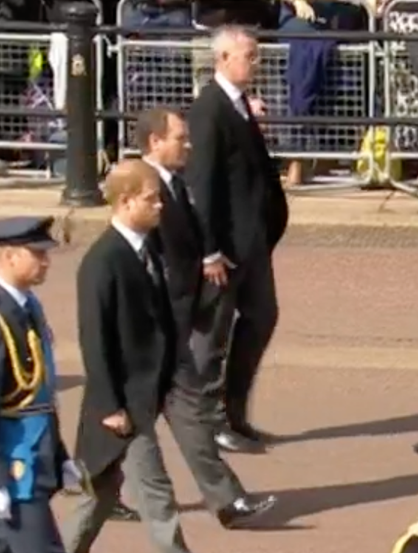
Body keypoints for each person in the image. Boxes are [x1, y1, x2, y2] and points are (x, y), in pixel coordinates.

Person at [138, 106, 277, 528]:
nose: (188, 145)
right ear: (154, 142)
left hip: (176, 325)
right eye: (180, 138)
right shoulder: (140, 189)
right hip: (148, 333)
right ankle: (91, 486)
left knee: (188, 415)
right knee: (123, 425)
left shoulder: (175, 184)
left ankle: (227, 501)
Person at [61, 159, 186, 553]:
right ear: (127, 201)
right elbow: (94, 339)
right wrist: (111, 405)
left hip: (142, 395)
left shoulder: (144, 248)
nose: (160, 206)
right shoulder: (103, 261)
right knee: (157, 495)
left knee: (100, 494)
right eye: (152, 199)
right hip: (122, 406)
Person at [184, 25, 289, 454]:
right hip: (224, 249)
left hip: (252, 241)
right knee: (212, 339)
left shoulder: (239, 105)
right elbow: (203, 186)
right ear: (223, 59)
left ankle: (236, 412)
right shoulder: (209, 110)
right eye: (249, 55)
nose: (256, 61)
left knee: (262, 317)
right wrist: (208, 250)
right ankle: (210, 424)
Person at [0, 216, 86, 553]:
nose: (46, 262)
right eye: (37, 254)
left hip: (36, 455)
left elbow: (42, 393)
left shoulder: (29, 307)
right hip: (16, 465)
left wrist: (59, 455)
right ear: (10, 256)